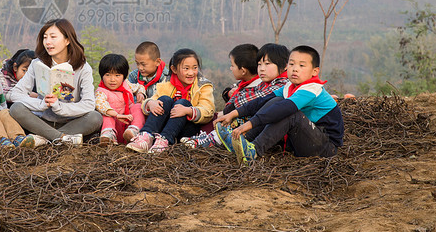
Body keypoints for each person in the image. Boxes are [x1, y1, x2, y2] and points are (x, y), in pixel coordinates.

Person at [216, 45, 344, 163]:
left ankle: (254, 151)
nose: (295, 69)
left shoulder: (311, 89)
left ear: (314, 71)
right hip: (303, 140)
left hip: (325, 148)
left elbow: (285, 108)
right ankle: (245, 141)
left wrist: (250, 123)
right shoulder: (289, 86)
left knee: (289, 113)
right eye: (292, 64)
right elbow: (263, 100)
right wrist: (233, 113)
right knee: (275, 101)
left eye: (302, 66)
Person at [7, 18, 102, 147]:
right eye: (45, 37)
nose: (48, 42)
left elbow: (89, 104)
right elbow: (16, 93)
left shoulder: (83, 68)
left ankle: (44, 139)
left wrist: (59, 107)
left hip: (72, 122)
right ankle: (61, 138)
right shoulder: (37, 63)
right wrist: (41, 104)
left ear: (67, 40)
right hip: (41, 121)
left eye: (53, 37)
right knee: (16, 108)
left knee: (95, 118)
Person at [183, 43, 289, 149]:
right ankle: (212, 138)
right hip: (259, 125)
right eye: (259, 64)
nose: (261, 69)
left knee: (242, 118)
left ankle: (214, 140)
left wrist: (236, 101)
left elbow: (255, 100)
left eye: (267, 64)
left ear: (284, 66)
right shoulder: (264, 83)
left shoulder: (282, 83)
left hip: (271, 131)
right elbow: (241, 97)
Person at [126, 48, 215, 154]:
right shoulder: (167, 83)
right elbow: (154, 98)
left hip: (187, 129)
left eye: (194, 68)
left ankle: (164, 142)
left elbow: (208, 110)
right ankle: (146, 137)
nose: (191, 73)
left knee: (182, 103)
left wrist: (188, 111)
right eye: (186, 68)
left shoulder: (203, 85)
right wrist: (150, 103)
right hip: (166, 126)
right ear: (174, 69)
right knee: (164, 99)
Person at [123, 41, 171, 142]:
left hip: (156, 115)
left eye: (143, 64)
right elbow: (128, 96)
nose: (140, 68)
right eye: (137, 63)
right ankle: (134, 131)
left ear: (157, 62)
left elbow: (163, 101)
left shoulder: (166, 78)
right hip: (137, 113)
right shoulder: (134, 76)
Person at [95, 53, 146, 146]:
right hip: (114, 123)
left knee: (138, 106)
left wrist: (140, 93)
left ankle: (133, 130)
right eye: (108, 75)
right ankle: (108, 135)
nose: (112, 79)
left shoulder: (126, 84)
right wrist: (116, 115)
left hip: (128, 121)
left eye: (117, 75)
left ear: (124, 76)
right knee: (106, 115)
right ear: (102, 76)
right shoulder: (101, 91)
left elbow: (139, 87)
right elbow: (101, 105)